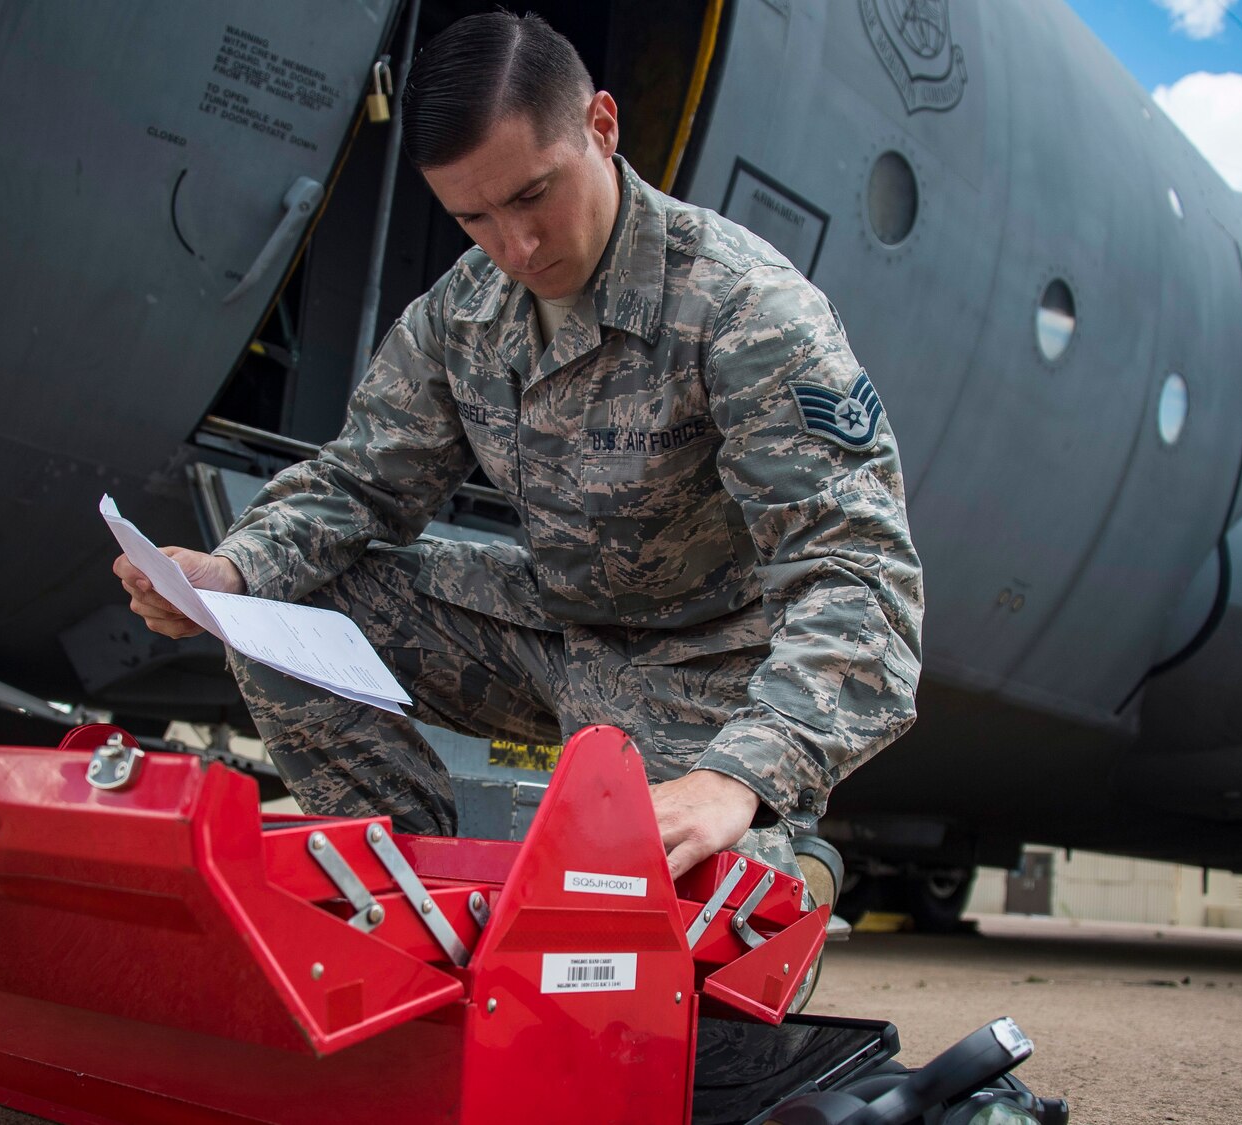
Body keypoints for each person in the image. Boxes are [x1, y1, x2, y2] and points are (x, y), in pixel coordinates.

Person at [115, 11, 922, 882]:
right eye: (475, 217)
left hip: (707, 668)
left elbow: (861, 578)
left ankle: (791, 862)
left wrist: (740, 776)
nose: (517, 246)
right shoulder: (465, 313)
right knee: (279, 610)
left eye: (535, 195)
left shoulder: (745, 307)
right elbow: (356, 484)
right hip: (552, 630)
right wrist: (231, 573)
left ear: (601, 126)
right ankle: (417, 894)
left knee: (663, 946)